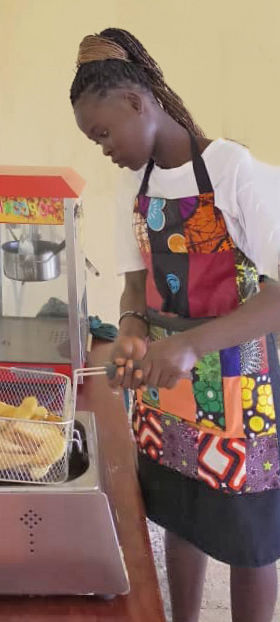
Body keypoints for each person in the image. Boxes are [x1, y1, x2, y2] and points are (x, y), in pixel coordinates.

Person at [70, 27, 280, 622]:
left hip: (243, 389)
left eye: (104, 132)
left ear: (139, 102)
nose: (103, 147)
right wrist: (132, 332)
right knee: (183, 518)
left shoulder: (232, 170)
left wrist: (189, 345)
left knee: (248, 536)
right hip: (168, 390)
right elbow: (134, 289)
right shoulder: (131, 188)